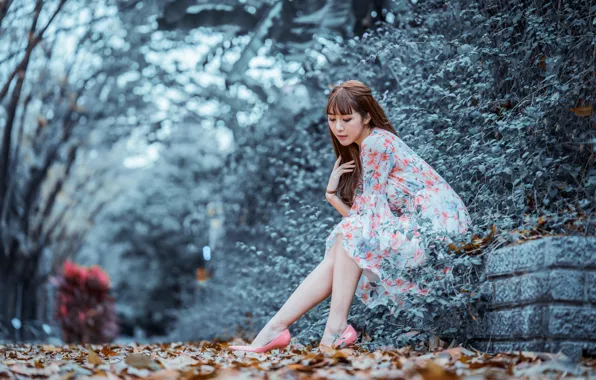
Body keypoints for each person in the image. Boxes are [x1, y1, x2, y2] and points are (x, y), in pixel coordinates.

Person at [228, 79, 472, 353]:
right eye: (332, 119)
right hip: (423, 224)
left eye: (346, 118)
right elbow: (369, 217)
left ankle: (312, 330)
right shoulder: (371, 144)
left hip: (438, 227)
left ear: (366, 116)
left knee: (349, 236)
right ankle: (286, 329)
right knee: (346, 241)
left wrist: (332, 197)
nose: (339, 127)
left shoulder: (375, 145)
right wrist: (333, 198)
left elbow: (367, 219)